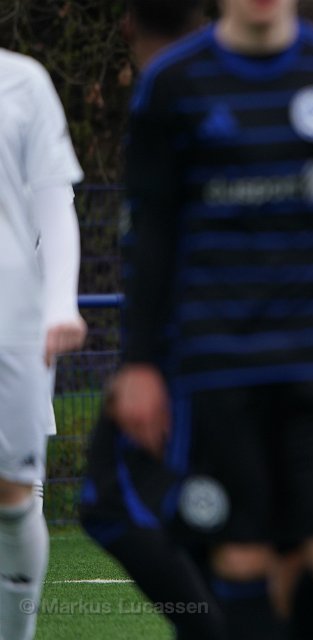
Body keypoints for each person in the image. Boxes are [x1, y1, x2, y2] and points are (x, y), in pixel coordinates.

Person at [106, 1, 313, 638]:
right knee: (242, 557)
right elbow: (152, 236)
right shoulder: (172, 82)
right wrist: (139, 362)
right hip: (217, 360)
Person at [79, 3, 230, 639]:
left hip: (192, 348)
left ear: (126, 28)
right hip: (237, 342)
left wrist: (142, 360)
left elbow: (155, 249)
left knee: (108, 501)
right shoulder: (234, 91)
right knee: (207, 510)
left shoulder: (169, 102)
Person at [0, 48, 87, 640]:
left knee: (15, 498)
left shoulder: (23, 82)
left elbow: (57, 204)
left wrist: (60, 303)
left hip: (14, 320)